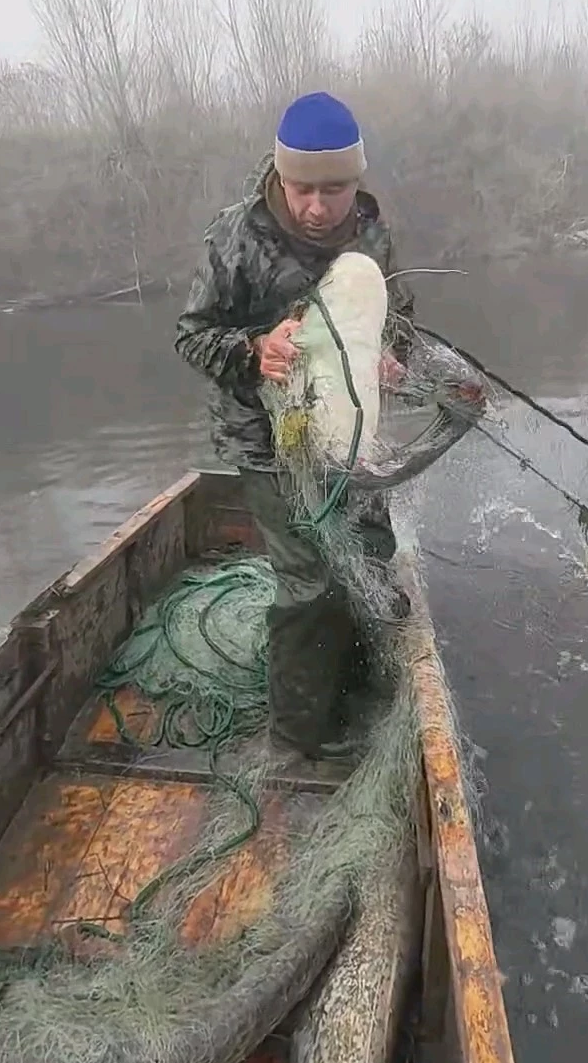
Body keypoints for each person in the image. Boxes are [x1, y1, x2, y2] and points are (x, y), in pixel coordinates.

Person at [175, 91, 415, 761]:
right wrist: (254, 350)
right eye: (302, 188)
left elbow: (402, 321)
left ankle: (364, 687)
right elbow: (193, 337)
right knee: (311, 581)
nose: (316, 206)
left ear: (356, 180)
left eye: (333, 189)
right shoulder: (236, 235)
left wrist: (396, 357)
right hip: (267, 444)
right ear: (281, 177)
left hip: (351, 437)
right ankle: (299, 736)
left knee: (369, 557)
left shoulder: (373, 234)